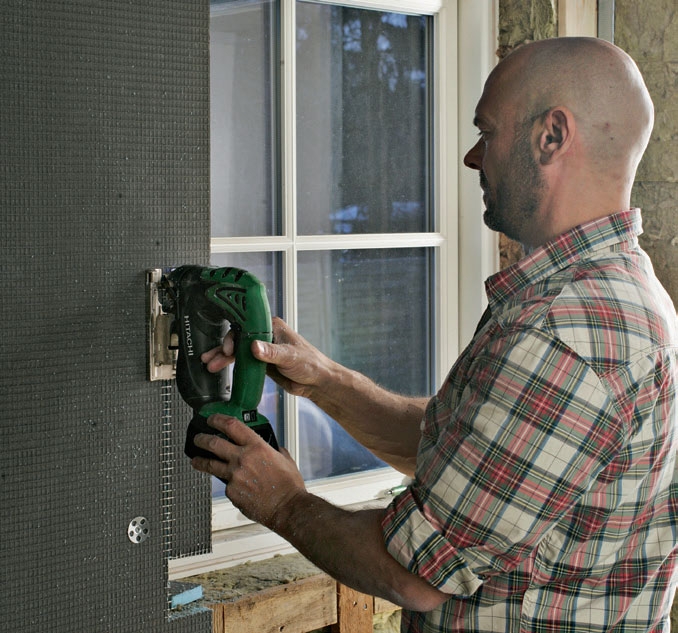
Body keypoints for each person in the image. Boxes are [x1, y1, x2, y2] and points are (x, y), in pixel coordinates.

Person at [191, 37, 678, 632]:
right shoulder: (618, 288)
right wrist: (324, 381)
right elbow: (469, 458)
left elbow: (412, 575)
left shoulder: (564, 332)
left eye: (487, 132)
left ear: (551, 136)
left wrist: (284, 503)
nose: (472, 157)